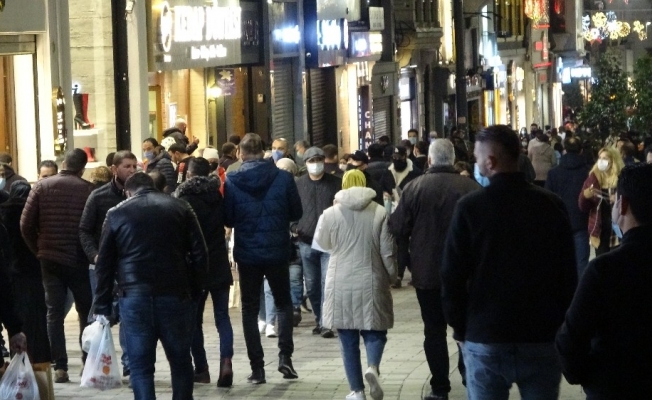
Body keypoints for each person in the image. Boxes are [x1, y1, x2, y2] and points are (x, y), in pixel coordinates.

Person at [441, 125, 578, 399]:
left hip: (486, 334)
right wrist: (561, 322)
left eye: (478, 158)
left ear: (490, 162)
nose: (476, 164)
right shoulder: (550, 205)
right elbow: (568, 273)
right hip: (541, 334)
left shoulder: (470, 208)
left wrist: (460, 326)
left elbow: (452, 275)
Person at [94, 172, 207, 400]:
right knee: (180, 360)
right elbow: (200, 253)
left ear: (127, 191)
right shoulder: (181, 207)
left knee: (141, 366)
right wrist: (196, 290)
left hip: (134, 297)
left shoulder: (116, 213)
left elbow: (103, 264)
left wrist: (102, 304)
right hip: (175, 294)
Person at [389, 139, 480, 400]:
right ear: (452, 160)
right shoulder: (471, 188)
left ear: (428, 160)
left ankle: (440, 387)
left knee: (433, 330)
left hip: (427, 272)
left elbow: (397, 228)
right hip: (466, 274)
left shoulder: (414, 188)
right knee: (466, 328)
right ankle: (470, 377)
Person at [556, 163, 652, 398]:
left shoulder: (604, 270)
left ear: (623, 204)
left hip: (613, 386)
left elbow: (570, 340)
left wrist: (588, 377)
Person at [223, 133, 302, 384]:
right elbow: (296, 212)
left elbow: (228, 218)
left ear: (240, 153)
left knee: (249, 308)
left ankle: (257, 368)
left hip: (247, 252)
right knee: (283, 303)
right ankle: (285, 358)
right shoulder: (284, 177)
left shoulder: (232, 180)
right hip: (277, 250)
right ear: (265, 151)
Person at [315, 169, 397, 400]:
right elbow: (388, 251)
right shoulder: (380, 212)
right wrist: (392, 276)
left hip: (340, 279)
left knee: (347, 337)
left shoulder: (330, 213)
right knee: (375, 329)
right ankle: (373, 366)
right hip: (372, 278)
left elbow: (322, 243)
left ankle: (357, 391)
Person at [20, 148, 95, 383]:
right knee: (85, 310)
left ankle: (60, 366)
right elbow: (94, 227)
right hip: (78, 259)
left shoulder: (41, 187)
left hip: (49, 259)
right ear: (82, 168)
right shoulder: (88, 190)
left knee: (53, 313)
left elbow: (25, 224)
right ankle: (87, 363)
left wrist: (38, 249)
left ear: (63, 163)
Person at [174, 158, 234, 387]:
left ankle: (201, 368)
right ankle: (226, 362)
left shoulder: (182, 200)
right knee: (222, 318)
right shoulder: (217, 197)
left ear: (188, 174)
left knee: (194, 321)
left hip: (195, 267)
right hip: (218, 264)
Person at [293, 147, 342, 338]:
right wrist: (294, 227)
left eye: (319, 160)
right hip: (306, 241)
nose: (316, 164)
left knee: (326, 282)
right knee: (312, 285)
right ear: (305, 164)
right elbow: (291, 208)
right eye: (312, 160)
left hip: (329, 242)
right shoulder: (298, 185)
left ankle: (325, 323)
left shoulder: (335, 183)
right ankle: (319, 318)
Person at [0, 181, 49, 364]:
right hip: (32, 271)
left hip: (15, 272)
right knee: (37, 317)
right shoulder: (35, 213)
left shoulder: (5, 214)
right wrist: (14, 328)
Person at [546, 137, 591, 277]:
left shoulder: (553, 173)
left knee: (561, 263)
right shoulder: (588, 173)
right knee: (582, 263)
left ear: (564, 150)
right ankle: (581, 295)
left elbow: (549, 198)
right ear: (581, 150)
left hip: (560, 223)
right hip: (582, 221)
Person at [579, 147, 624, 257]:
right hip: (599, 230)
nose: (601, 161)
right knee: (602, 266)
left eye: (605, 158)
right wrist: (585, 196)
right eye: (600, 158)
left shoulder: (622, 178)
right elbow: (583, 207)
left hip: (618, 231)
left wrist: (618, 200)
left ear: (613, 161)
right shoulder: (593, 178)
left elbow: (631, 203)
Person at [386, 146, 421, 288]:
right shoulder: (387, 172)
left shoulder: (415, 173)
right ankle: (400, 274)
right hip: (394, 213)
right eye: (394, 158)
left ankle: (409, 272)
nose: (396, 160)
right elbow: (382, 186)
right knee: (401, 244)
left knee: (407, 245)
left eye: (399, 157)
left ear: (405, 157)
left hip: (410, 213)